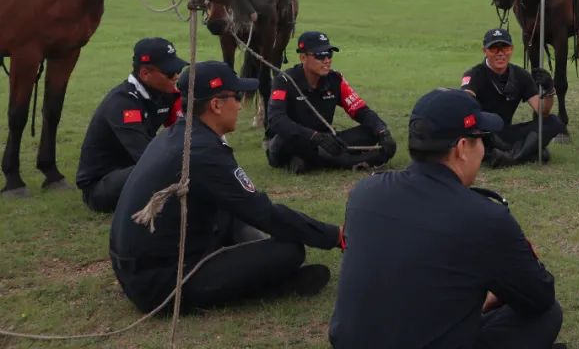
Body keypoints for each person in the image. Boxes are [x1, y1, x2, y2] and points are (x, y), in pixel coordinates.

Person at [330, 88, 563, 349]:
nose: (483, 149)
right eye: (481, 139)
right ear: (463, 148)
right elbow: (539, 297)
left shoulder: (364, 193)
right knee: (548, 314)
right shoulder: (485, 217)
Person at [110, 61, 341, 313]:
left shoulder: (179, 135)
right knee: (289, 251)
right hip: (161, 284)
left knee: (232, 213)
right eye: (236, 97)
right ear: (216, 105)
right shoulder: (204, 151)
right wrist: (334, 235)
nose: (241, 105)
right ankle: (275, 285)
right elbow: (264, 213)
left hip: (138, 271)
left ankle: (257, 265)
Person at [75, 38, 186, 213]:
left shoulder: (164, 92)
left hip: (132, 169)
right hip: (101, 186)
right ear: (145, 74)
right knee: (163, 170)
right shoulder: (122, 104)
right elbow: (147, 157)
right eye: (170, 72)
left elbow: (184, 133)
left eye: (178, 70)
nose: (176, 76)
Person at [266, 31, 396, 174]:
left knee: (370, 132)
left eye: (329, 54)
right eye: (320, 55)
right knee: (286, 140)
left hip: (325, 142)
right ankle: (347, 161)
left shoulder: (335, 79)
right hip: (294, 141)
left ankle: (310, 162)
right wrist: (314, 136)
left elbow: (361, 111)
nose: (327, 60)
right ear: (303, 57)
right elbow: (276, 120)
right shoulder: (283, 81)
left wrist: (382, 131)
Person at [460, 27, 563, 166]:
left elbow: (542, 110)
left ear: (512, 49)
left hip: (506, 132)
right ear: (484, 51)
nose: (500, 54)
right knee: (541, 153)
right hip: (484, 133)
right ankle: (527, 152)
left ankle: (511, 157)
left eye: (505, 48)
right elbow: (465, 104)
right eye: (494, 49)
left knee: (554, 122)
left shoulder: (521, 75)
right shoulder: (473, 74)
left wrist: (549, 90)